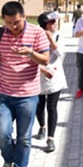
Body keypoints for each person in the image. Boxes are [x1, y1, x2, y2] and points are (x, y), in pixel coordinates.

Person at [0, 1, 50, 167]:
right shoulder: (0, 32)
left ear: (24, 17)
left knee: (24, 138)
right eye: (8, 23)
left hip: (28, 95)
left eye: (17, 22)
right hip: (3, 93)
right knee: (0, 133)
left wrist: (30, 53)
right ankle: (9, 158)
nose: (13, 27)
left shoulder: (37, 33)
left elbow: (45, 59)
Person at [34, 11, 67, 153]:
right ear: (44, 24)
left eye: (55, 22)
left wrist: (51, 39)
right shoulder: (36, 38)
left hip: (55, 76)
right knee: (39, 105)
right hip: (39, 76)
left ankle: (50, 138)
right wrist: (42, 70)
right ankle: (42, 126)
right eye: (51, 22)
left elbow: (60, 53)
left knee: (52, 107)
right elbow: (31, 57)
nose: (55, 24)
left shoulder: (58, 36)